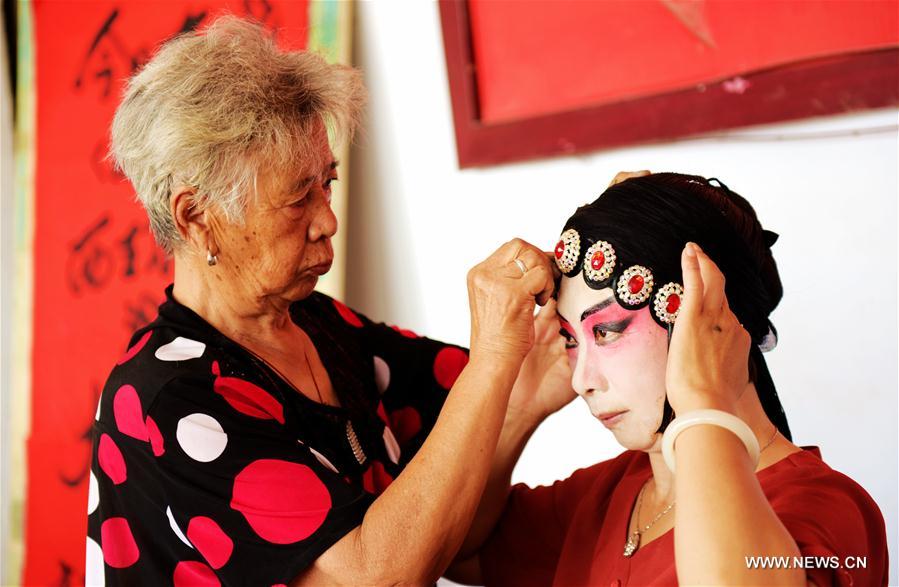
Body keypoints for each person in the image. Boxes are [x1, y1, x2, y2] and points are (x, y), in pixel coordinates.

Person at [85, 16, 561, 585]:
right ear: (197, 219)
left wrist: (613, 243)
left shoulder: (323, 326)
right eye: (295, 200)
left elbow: (449, 526)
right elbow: (377, 575)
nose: (327, 220)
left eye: (327, 183)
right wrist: (494, 362)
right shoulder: (167, 401)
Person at [447, 172, 889, 586]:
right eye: (570, 339)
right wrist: (521, 407)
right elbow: (457, 548)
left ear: (710, 318)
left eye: (607, 331)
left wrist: (703, 400)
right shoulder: (602, 498)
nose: (581, 380)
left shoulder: (827, 507)